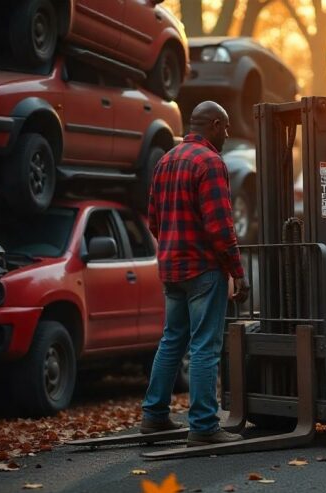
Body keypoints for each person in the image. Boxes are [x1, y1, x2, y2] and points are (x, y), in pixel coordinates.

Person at [140, 100, 250, 446]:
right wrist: (237, 272)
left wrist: (174, 248)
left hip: (172, 270)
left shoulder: (165, 161)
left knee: (172, 340)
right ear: (214, 125)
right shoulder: (210, 162)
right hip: (204, 269)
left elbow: (154, 221)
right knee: (205, 346)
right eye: (227, 127)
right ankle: (203, 426)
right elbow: (220, 227)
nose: (228, 134)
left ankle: (154, 416)